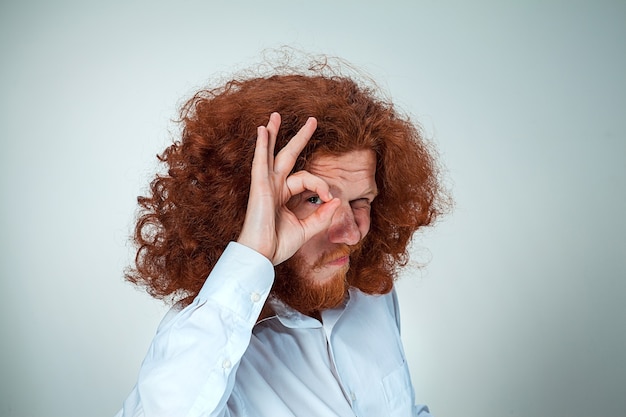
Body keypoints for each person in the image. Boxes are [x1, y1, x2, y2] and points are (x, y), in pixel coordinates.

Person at [116, 55, 448, 417]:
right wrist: (254, 250)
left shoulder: (370, 297)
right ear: (245, 205)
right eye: (314, 199)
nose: (350, 233)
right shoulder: (208, 341)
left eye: (361, 201)